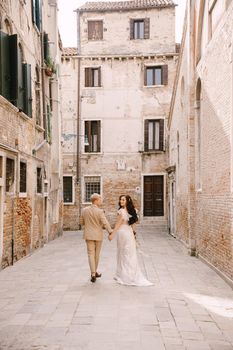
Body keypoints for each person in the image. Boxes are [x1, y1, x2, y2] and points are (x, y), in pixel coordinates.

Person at [108, 195, 153, 286]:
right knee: (129, 253)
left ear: (127, 201)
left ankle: (125, 276)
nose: (121, 201)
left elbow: (118, 224)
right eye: (120, 199)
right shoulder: (133, 211)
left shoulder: (121, 211)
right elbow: (133, 225)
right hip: (128, 234)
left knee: (123, 254)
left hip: (123, 233)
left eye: (123, 200)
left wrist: (112, 235)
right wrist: (134, 234)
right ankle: (128, 274)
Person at [80, 193, 113, 283]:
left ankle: (93, 273)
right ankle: (94, 272)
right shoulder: (100, 211)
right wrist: (110, 231)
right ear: (96, 200)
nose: (101, 201)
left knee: (90, 254)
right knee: (96, 254)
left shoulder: (84, 210)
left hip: (88, 235)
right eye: (100, 199)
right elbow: (105, 223)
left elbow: (81, 222)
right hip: (98, 235)